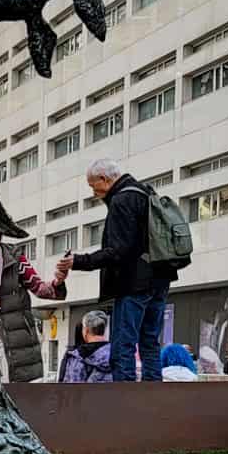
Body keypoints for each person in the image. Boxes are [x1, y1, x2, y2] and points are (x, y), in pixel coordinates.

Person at [69, 159, 178, 382]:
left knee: (123, 345)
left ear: (104, 179)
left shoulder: (121, 200)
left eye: (93, 185)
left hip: (133, 283)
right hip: (160, 277)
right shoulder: (145, 192)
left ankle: (125, 398)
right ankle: (152, 394)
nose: (93, 191)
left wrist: (80, 261)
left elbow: (119, 250)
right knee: (150, 341)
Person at [0, 225, 70, 383]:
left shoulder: (15, 259)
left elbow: (39, 288)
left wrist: (58, 281)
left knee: (16, 391)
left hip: (15, 341)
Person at [59, 310, 112, 383]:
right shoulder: (116, 354)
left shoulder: (76, 356)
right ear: (104, 330)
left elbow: (69, 388)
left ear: (86, 330)